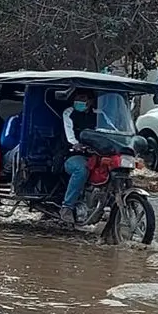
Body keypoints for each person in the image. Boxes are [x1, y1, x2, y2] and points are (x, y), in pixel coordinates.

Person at [60, 89, 98, 224]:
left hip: (99, 155)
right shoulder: (69, 113)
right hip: (73, 155)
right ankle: (67, 207)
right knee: (82, 169)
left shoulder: (99, 115)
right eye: (77, 98)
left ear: (91, 101)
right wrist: (77, 145)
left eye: (83, 98)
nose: (79, 101)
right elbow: (69, 136)